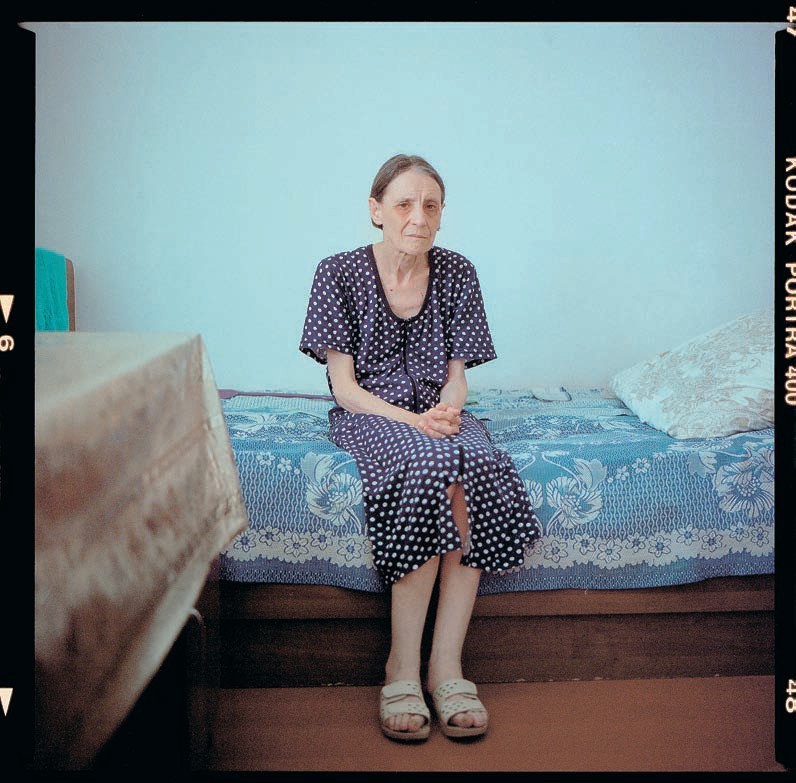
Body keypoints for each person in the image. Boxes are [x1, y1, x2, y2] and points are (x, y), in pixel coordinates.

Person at [299, 153, 541, 741]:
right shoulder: (337, 272)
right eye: (404, 203)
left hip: (436, 411)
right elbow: (344, 389)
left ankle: (446, 668)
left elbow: (458, 378)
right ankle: (401, 668)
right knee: (431, 461)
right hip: (372, 412)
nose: (418, 216)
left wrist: (449, 409)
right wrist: (412, 421)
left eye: (431, 205)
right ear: (376, 210)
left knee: (477, 462)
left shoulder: (458, 272)